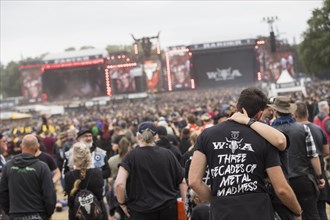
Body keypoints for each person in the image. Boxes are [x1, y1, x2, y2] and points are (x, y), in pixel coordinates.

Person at [189, 87, 302, 220]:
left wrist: (216, 199)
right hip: (257, 210)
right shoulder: (264, 137)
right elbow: (281, 188)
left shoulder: (206, 135)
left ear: (237, 106)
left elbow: (194, 181)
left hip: (222, 212)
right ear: (260, 114)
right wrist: (297, 210)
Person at [115, 121, 186, 220]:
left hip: (141, 211)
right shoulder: (168, 154)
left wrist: (122, 204)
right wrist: (184, 204)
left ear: (138, 137)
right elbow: (182, 181)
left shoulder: (130, 156)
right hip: (168, 209)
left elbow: (119, 184)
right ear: (156, 137)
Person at [268, 96, 325, 220]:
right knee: (312, 215)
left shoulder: (270, 131)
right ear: (290, 111)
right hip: (302, 179)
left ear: (275, 112)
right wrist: (319, 176)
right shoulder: (303, 128)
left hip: (282, 182)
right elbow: (313, 155)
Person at [0, 134, 56, 220]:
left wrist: (10, 212)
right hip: (37, 214)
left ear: (21, 147)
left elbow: (3, 193)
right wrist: (47, 214)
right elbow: (49, 195)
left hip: (16, 215)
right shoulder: (42, 167)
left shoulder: (8, 166)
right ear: (37, 147)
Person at [295, 101, 330, 220]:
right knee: (321, 209)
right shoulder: (317, 129)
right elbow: (326, 151)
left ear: (294, 114)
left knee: (307, 211)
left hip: (305, 174)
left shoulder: (296, 131)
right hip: (319, 172)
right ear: (308, 113)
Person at [64, 142, 105, 220]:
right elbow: (100, 196)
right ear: (88, 157)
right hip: (96, 215)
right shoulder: (97, 173)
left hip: (77, 216)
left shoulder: (68, 176)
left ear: (74, 158)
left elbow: (70, 203)